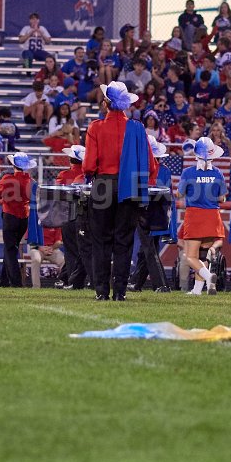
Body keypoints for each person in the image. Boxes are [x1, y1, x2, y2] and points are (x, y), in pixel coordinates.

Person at [82, 81, 159, 301]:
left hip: (103, 185)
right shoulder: (137, 128)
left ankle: (101, 291)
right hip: (130, 187)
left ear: (106, 103)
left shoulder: (96, 127)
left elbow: (88, 165)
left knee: (101, 241)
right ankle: (120, 292)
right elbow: (150, 165)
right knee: (124, 241)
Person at [178, 137, 227, 295]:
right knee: (202, 256)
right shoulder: (218, 173)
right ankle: (197, 290)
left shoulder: (188, 172)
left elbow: (180, 193)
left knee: (190, 256)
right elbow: (222, 198)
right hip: (213, 216)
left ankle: (208, 276)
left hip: (195, 216)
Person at [128, 136, 174, 293]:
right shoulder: (165, 170)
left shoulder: (140, 169)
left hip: (144, 209)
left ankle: (161, 284)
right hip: (160, 212)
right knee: (148, 247)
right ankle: (136, 282)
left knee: (149, 248)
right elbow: (168, 194)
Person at [0, 153, 36, 288]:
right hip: (23, 218)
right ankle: (4, 281)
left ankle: (16, 282)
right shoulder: (31, 181)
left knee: (10, 250)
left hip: (10, 217)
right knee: (11, 249)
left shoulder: (7, 178)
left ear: (13, 165)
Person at [55, 144, 92, 290]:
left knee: (71, 251)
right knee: (84, 250)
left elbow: (58, 195)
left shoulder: (64, 175)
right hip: (85, 215)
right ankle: (69, 278)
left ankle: (72, 281)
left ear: (71, 159)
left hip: (68, 215)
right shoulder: (88, 176)